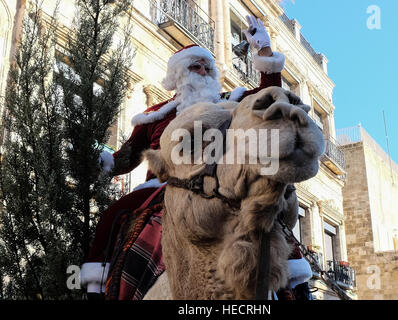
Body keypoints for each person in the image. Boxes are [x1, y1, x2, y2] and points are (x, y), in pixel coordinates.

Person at [81, 15, 307, 300]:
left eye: (206, 67)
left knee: (272, 217)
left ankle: (298, 288)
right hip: (163, 187)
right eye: (194, 66)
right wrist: (102, 160)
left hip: (222, 183)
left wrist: (264, 54)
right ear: (178, 75)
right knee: (115, 214)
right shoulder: (155, 115)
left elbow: (266, 97)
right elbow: (128, 156)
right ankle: (99, 289)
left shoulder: (230, 102)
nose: (202, 71)